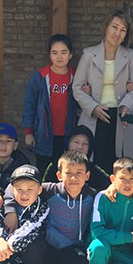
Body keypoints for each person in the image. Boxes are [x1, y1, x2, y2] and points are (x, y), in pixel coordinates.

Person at [72, 10, 133, 174]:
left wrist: (126, 105)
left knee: (123, 167)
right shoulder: (89, 54)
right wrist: (93, 107)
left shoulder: (132, 56)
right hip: (94, 114)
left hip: (122, 116)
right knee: (93, 163)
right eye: (114, 27)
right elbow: (77, 87)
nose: (117, 33)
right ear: (106, 28)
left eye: (123, 30)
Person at [22, 34, 77, 176]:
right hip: (44, 134)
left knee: (65, 171)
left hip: (68, 134)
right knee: (44, 172)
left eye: (64, 52)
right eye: (55, 53)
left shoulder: (76, 76)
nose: (59, 57)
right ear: (49, 55)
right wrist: (28, 132)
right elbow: (29, 104)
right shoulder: (40, 77)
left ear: (70, 54)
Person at [40, 125, 111, 191]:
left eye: (85, 144)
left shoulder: (93, 168)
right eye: (76, 142)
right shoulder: (55, 165)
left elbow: (110, 184)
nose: (80, 147)